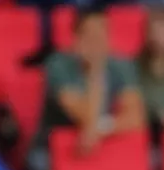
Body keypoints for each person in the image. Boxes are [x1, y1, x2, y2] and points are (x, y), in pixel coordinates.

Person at [40, 9, 143, 154]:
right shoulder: (58, 65)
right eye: (91, 36)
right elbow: (86, 117)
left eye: (102, 34)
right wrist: (95, 71)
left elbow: (135, 117)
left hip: (100, 145)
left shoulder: (121, 65)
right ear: (76, 38)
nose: (97, 42)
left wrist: (102, 128)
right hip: (51, 149)